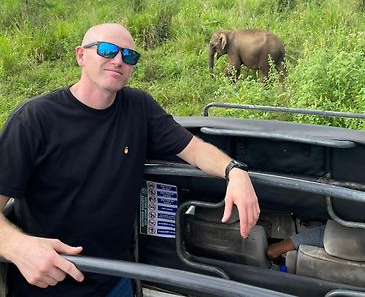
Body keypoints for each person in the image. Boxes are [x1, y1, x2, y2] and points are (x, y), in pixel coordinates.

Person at [0, 23, 260, 296]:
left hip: (116, 279)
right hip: (48, 283)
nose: (118, 61)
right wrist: (17, 247)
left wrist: (235, 171)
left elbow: (193, 149)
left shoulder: (139, 107)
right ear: (81, 55)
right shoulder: (34, 119)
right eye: (107, 50)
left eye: (129, 56)